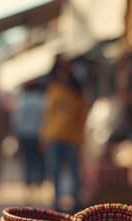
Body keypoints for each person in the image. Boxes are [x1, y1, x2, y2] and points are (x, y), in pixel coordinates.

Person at [40, 59, 87, 211]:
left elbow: (82, 118)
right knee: (55, 171)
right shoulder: (53, 90)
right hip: (54, 138)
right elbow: (48, 116)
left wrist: (80, 139)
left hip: (72, 139)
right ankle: (57, 202)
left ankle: (75, 201)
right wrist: (44, 137)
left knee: (74, 172)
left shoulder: (77, 94)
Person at [12, 81, 46, 202]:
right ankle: (39, 190)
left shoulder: (23, 102)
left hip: (25, 136)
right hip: (39, 136)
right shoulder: (43, 101)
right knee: (39, 162)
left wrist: (17, 137)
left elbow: (17, 121)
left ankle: (27, 192)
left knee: (28, 163)